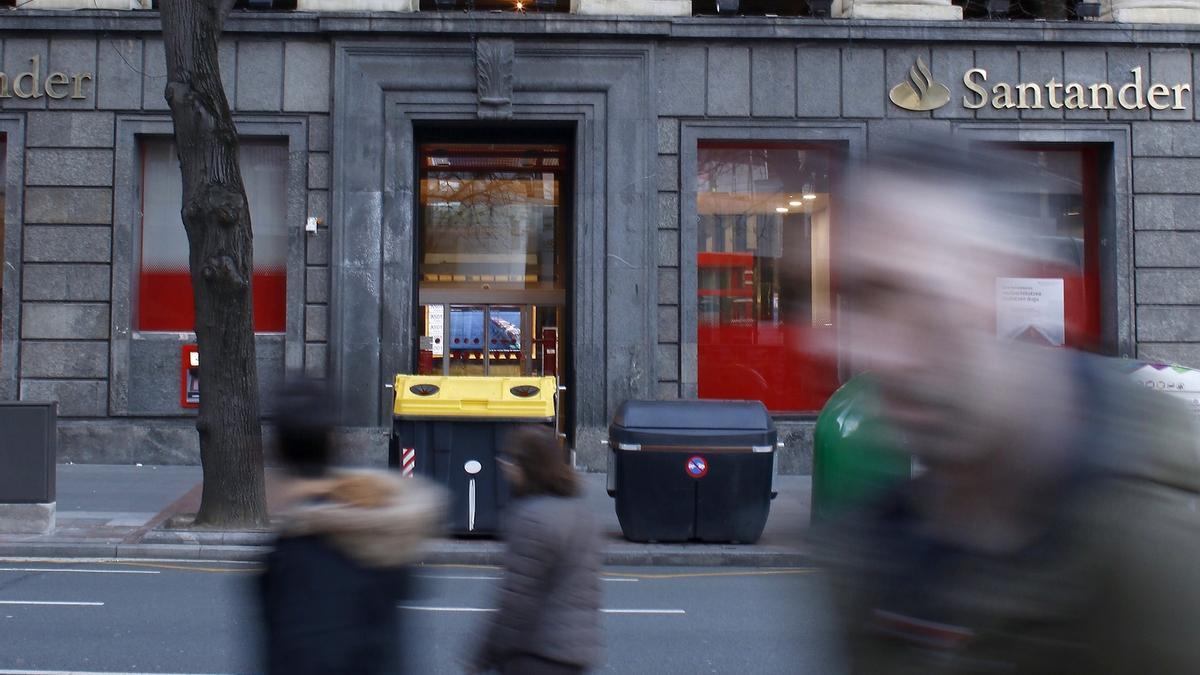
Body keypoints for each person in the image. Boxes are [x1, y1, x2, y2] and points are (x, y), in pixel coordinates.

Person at [810, 136, 1200, 674]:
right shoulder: (876, 551)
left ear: (1000, 284)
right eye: (855, 301)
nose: (867, 351)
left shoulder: (1166, 551)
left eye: (904, 295)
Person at [260, 379, 447, 675]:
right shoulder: (381, 528)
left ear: (278, 450)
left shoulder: (299, 551)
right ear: (336, 442)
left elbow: (305, 655)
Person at [470, 425, 604, 674]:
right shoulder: (583, 515)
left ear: (527, 466)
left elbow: (516, 599)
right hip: (576, 655)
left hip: (536, 655)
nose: (504, 465)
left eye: (510, 459)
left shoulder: (531, 517)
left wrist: (483, 656)